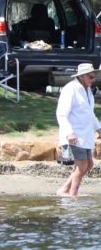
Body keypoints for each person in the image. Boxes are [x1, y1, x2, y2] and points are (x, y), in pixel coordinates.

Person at [56, 63, 101, 197]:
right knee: (82, 165)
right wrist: (69, 132)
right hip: (74, 135)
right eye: (91, 77)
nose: (93, 80)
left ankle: (64, 190)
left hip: (85, 135)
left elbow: (90, 113)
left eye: (94, 77)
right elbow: (61, 113)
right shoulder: (70, 89)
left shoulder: (88, 92)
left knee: (89, 164)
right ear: (81, 76)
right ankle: (73, 196)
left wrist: (99, 128)